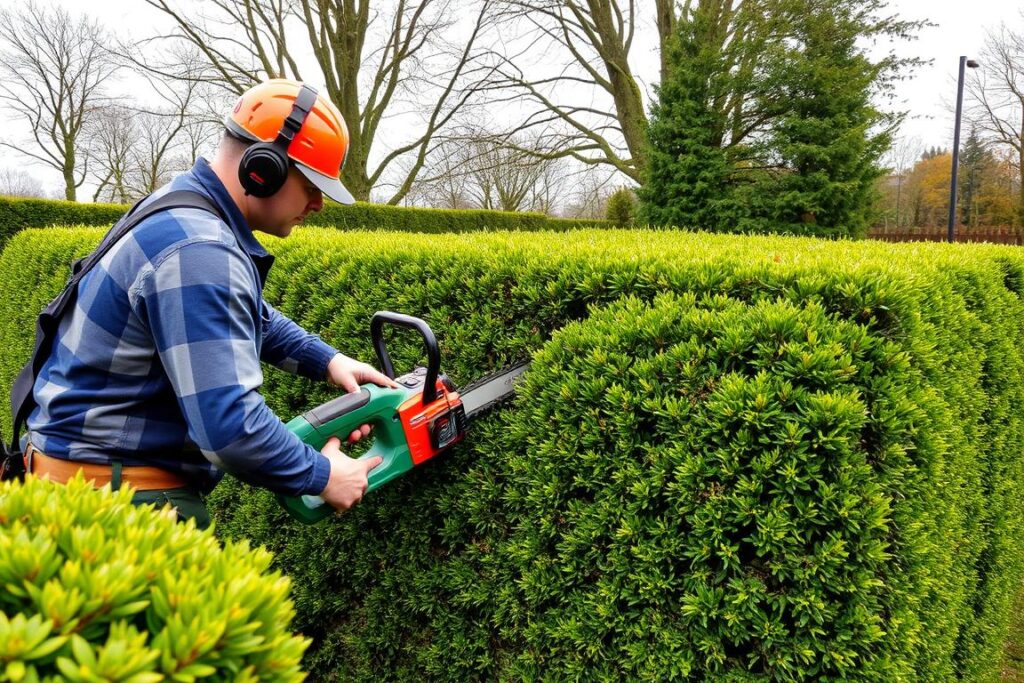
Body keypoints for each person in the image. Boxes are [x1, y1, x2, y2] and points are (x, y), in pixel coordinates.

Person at [21, 79, 395, 528]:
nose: (317, 203)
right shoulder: (200, 250)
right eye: (311, 184)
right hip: (116, 503)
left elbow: (241, 316)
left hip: (83, 482)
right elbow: (231, 428)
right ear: (264, 168)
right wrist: (323, 475)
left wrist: (328, 360)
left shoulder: (180, 209)